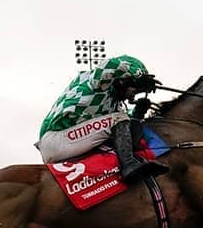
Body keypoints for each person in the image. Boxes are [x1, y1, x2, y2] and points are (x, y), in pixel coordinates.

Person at [36, 55, 169, 184]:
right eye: (135, 89)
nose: (133, 96)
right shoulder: (96, 83)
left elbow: (123, 129)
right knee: (119, 119)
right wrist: (137, 76)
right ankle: (129, 165)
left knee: (125, 122)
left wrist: (138, 112)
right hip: (55, 140)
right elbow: (109, 65)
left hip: (69, 141)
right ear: (122, 81)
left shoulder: (113, 104)